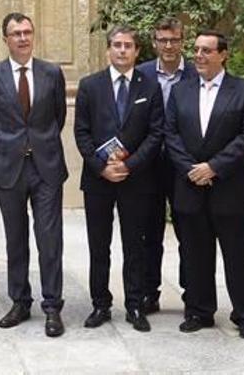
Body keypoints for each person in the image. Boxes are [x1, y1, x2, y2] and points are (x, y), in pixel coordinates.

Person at [164, 30, 244, 338]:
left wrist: (214, 167)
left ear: (223, 54)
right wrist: (191, 169)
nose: (199, 56)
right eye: (196, 50)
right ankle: (200, 311)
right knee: (195, 256)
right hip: (190, 187)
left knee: (237, 257)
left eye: (207, 50)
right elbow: (171, 134)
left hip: (230, 189)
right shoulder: (180, 90)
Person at [0, 12, 68, 337]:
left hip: (45, 167)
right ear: (5, 38)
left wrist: (37, 144)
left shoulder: (51, 73)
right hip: (8, 169)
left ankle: (52, 307)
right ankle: (20, 301)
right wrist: (15, 145)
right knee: (15, 239)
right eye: (16, 33)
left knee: (49, 240)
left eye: (27, 32)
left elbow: (57, 118)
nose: (22, 38)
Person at [74, 25, 164, 332]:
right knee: (99, 246)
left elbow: (156, 133)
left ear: (138, 51)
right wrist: (102, 166)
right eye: (116, 44)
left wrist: (131, 165)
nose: (122, 50)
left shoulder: (149, 86)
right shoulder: (90, 85)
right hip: (98, 179)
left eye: (128, 45)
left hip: (137, 179)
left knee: (134, 245)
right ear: (108, 49)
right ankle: (101, 304)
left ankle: (135, 305)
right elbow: (81, 132)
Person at [136, 16, 197, 313]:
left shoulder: (197, 73)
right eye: (163, 40)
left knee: (189, 232)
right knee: (150, 232)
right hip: (149, 164)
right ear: (154, 42)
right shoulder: (142, 74)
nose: (169, 45)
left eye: (174, 39)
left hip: (184, 165)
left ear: (183, 41)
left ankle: (192, 294)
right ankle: (150, 293)